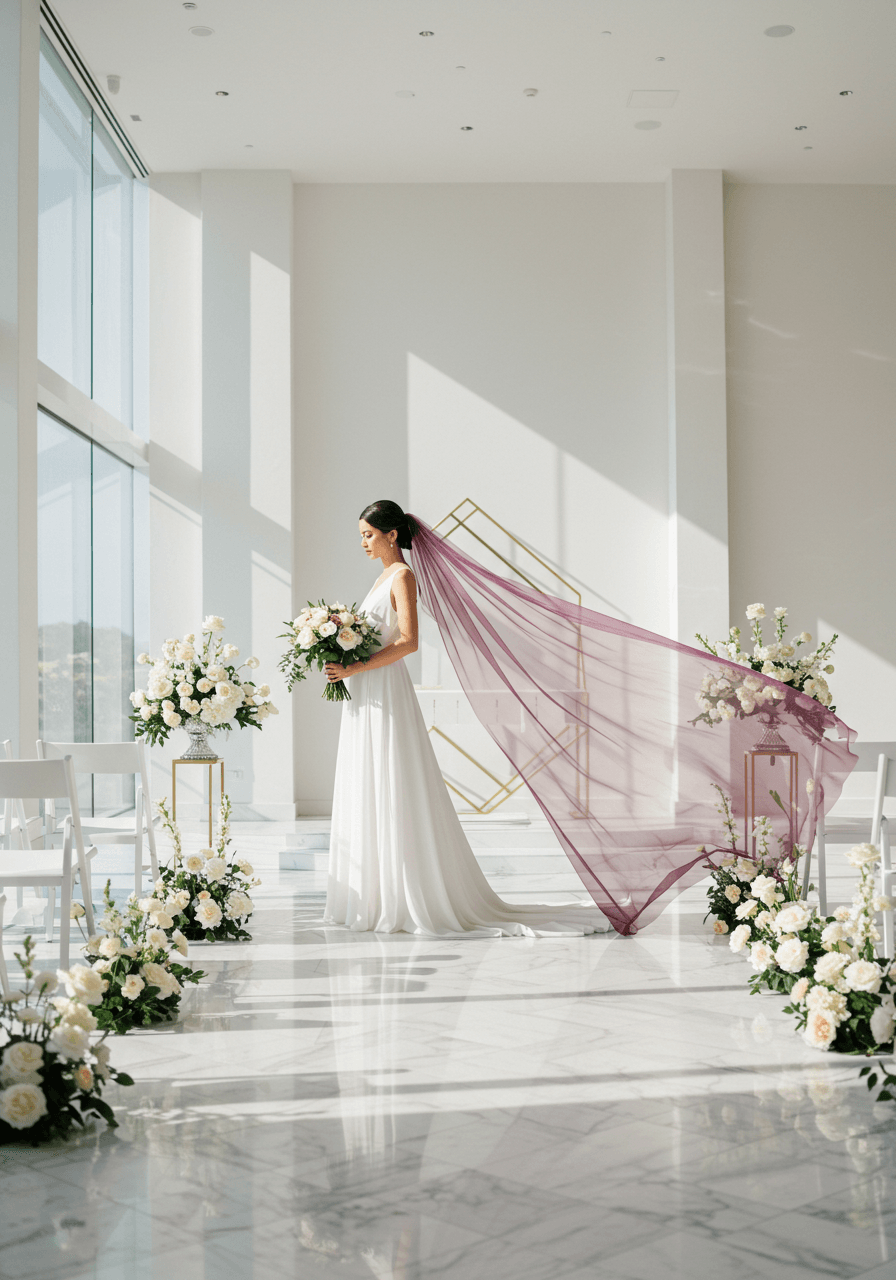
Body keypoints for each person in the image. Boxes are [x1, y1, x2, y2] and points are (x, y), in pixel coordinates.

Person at [323, 499, 607, 937]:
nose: (362, 542)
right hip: (365, 691)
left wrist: (354, 667)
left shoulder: (402, 575)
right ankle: (374, 892)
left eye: (367, 534)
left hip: (381, 686)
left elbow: (409, 642)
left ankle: (405, 894)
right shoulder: (382, 577)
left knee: (393, 777)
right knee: (369, 778)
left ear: (391, 535)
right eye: (360, 535)